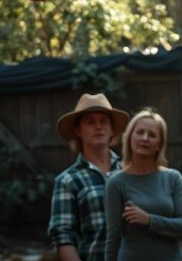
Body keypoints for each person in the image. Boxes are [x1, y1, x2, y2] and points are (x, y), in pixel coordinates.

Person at [48, 93, 130, 261]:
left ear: (112, 129)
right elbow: (63, 237)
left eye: (103, 121)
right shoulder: (67, 181)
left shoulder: (129, 172)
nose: (98, 126)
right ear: (78, 130)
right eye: (90, 122)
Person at [104, 108, 182, 261]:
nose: (145, 138)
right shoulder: (116, 182)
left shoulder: (173, 178)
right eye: (139, 132)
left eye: (152, 135)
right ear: (130, 137)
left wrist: (149, 220)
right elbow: (113, 237)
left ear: (159, 144)